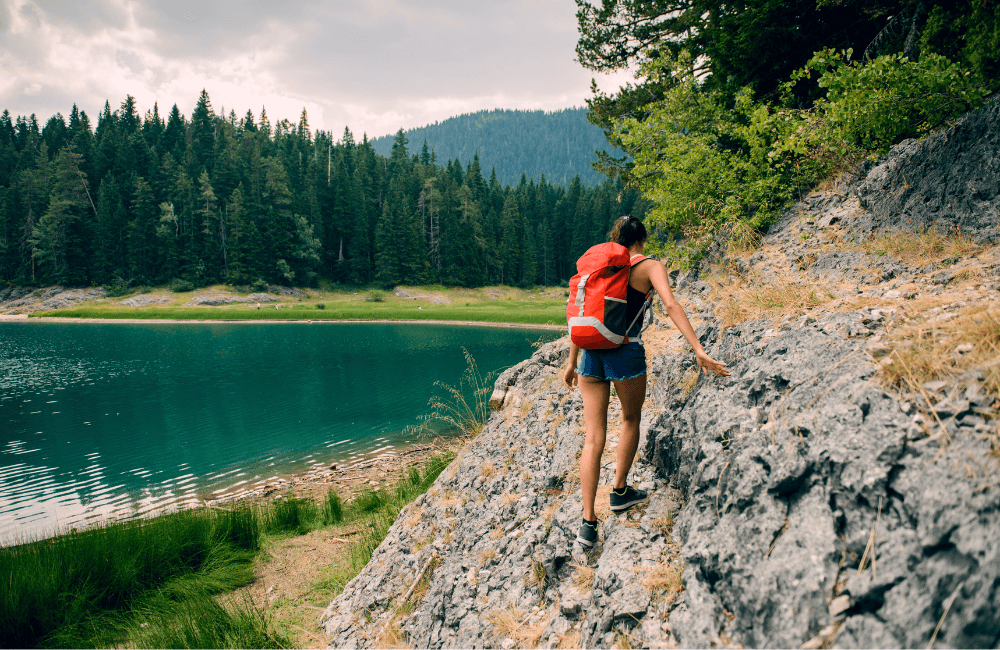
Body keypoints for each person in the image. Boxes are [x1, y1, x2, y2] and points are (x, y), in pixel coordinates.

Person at [562, 215, 730, 549]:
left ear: (616, 238)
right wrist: (698, 348)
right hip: (626, 352)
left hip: (590, 355)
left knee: (593, 438)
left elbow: (585, 313)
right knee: (630, 418)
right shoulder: (649, 266)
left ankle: (587, 522)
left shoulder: (600, 267)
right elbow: (670, 303)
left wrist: (571, 362)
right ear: (642, 239)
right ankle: (620, 491)